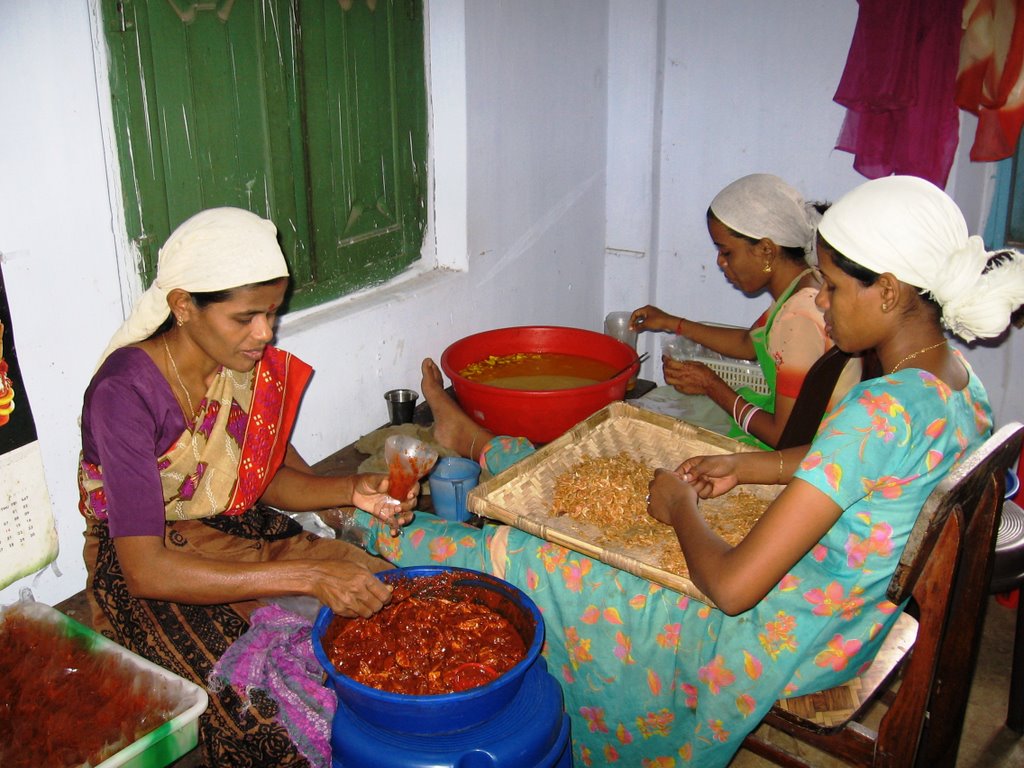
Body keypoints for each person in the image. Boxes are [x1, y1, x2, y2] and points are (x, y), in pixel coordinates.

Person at [370, 175, 1024, 767]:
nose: (820, 302)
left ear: (888, 289)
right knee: (586, 472)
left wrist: (680, 505)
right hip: (854, 614)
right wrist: (747, 465)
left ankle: (383, 530)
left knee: (557, 563)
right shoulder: (953, 384)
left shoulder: (877, 408)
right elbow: (858, 464)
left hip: (791, 638)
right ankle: (484, 441)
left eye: (831, 284)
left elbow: (734, 590)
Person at [77, 207, 417, 766]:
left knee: (394, 610)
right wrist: (308, 575)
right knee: (269, 717)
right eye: (246, 317)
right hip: (146, 557)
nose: (265, 333)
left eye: (272, 313)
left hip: (235, 526)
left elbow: (260, 482)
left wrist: (353, 488)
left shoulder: (236, 364)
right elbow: (146, 569)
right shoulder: (125, 393)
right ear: (183, 306)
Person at [630, 173, 861, 448]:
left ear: (766, 250)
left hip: (810, 454)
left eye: (726, 252)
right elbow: (748, 344)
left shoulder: (798, 318)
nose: (720, 262)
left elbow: (783, 438)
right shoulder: (805, 283)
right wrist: (671, 322)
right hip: (804, 437)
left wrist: (712, 386)